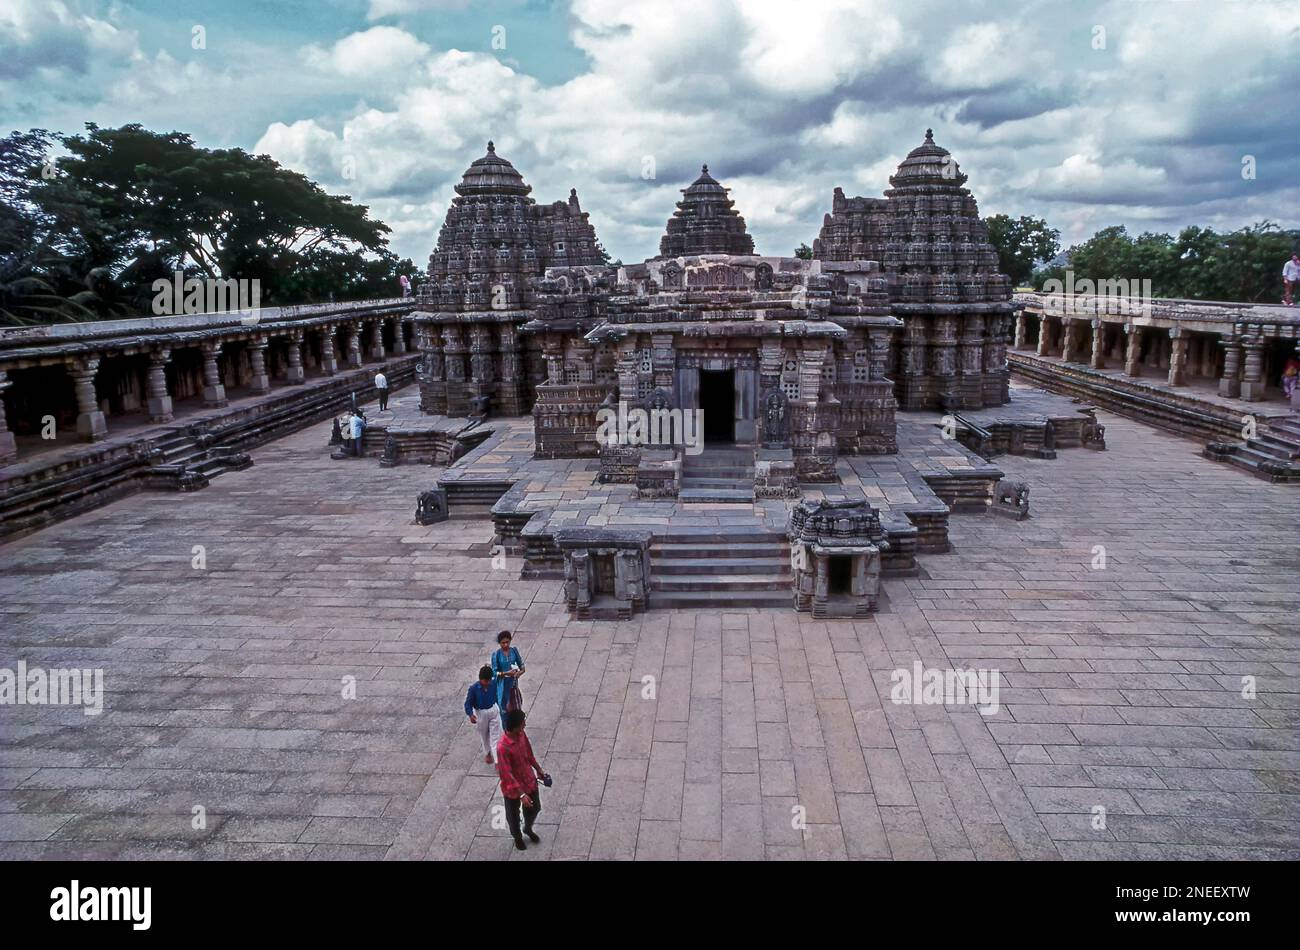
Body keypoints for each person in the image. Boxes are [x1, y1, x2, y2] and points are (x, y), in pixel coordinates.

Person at [495, 709, 546, 850]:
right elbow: (506, 774)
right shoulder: (502, 747)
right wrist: (521, 794)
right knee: (513, 817)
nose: (525, 725)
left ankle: (528, 828)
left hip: (528, 780)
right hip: (512, 789)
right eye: (522, 723)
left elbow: (529, 754)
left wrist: (538, 769)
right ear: (515, 726)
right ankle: (517, 837)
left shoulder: (521, 735)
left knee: (535, 808)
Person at [465, 665, 502, 763]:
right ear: (480, 679)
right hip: (481, 713)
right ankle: (488, 752)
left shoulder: (493, 683)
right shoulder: (474, 689)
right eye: (486, 681)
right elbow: (468, 704)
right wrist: (470, 714)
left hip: (493, 709)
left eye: (489, 680)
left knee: (495, 736)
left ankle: (497, 761)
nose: (488, 683)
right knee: (484, 735)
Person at [491, 630, 525, 720]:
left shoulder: (514, 651)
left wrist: (519, 672)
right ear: (499, 643)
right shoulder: (497, 655)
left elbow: (522, 666)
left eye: (507, 642)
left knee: (516, 708)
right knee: (505, 710)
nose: (505, 645)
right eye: (503, 643)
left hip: (513, 684)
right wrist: (506, 673)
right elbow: (495, 673)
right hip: (503, 685)